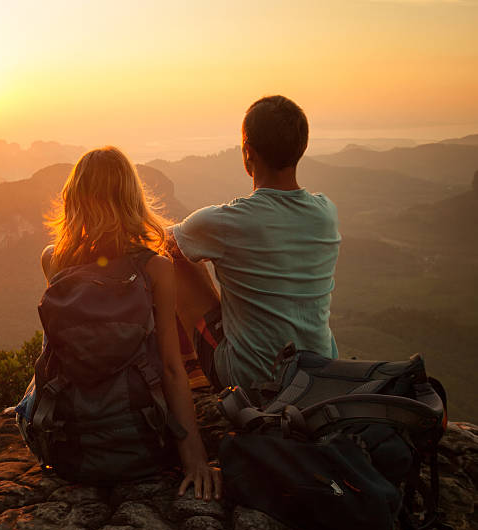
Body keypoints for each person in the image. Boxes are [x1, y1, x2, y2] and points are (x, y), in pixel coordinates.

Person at [41, 146, 222, 501]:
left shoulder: (53, 260)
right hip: (142, 440)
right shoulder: (156, 267)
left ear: (74, 198)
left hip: (70, 446)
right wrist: (195, 460)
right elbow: (171, 368)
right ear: (131, 197)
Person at [168, 95, 341, 395]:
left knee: (175, 258)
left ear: (248, 151)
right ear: (300, 148)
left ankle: (191, 371)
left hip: (251, 379)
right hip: (320, 373)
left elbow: (159, 240)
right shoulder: (326, 213)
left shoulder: (225, 222)